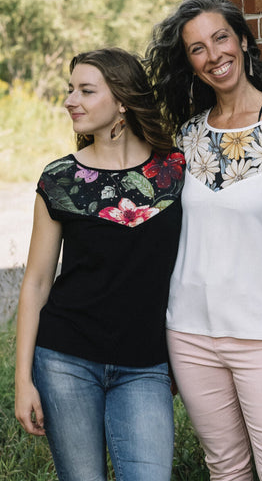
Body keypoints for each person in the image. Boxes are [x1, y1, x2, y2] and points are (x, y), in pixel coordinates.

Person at [146, 0, 262, 481]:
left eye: (221, 37)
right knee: (225, 470)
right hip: (189, 334)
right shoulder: (187, 136)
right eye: (197, 48)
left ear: (243, 41)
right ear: (189, 62)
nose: (213, 55)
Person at [15, 47, 185, 481]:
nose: (71, 100)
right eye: (71, 90)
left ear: (123, 101)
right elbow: (35, 284)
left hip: (145, 365)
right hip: (64, 360)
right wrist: (22, 381)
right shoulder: (60, 180)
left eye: (86, 91)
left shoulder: (174, 172)